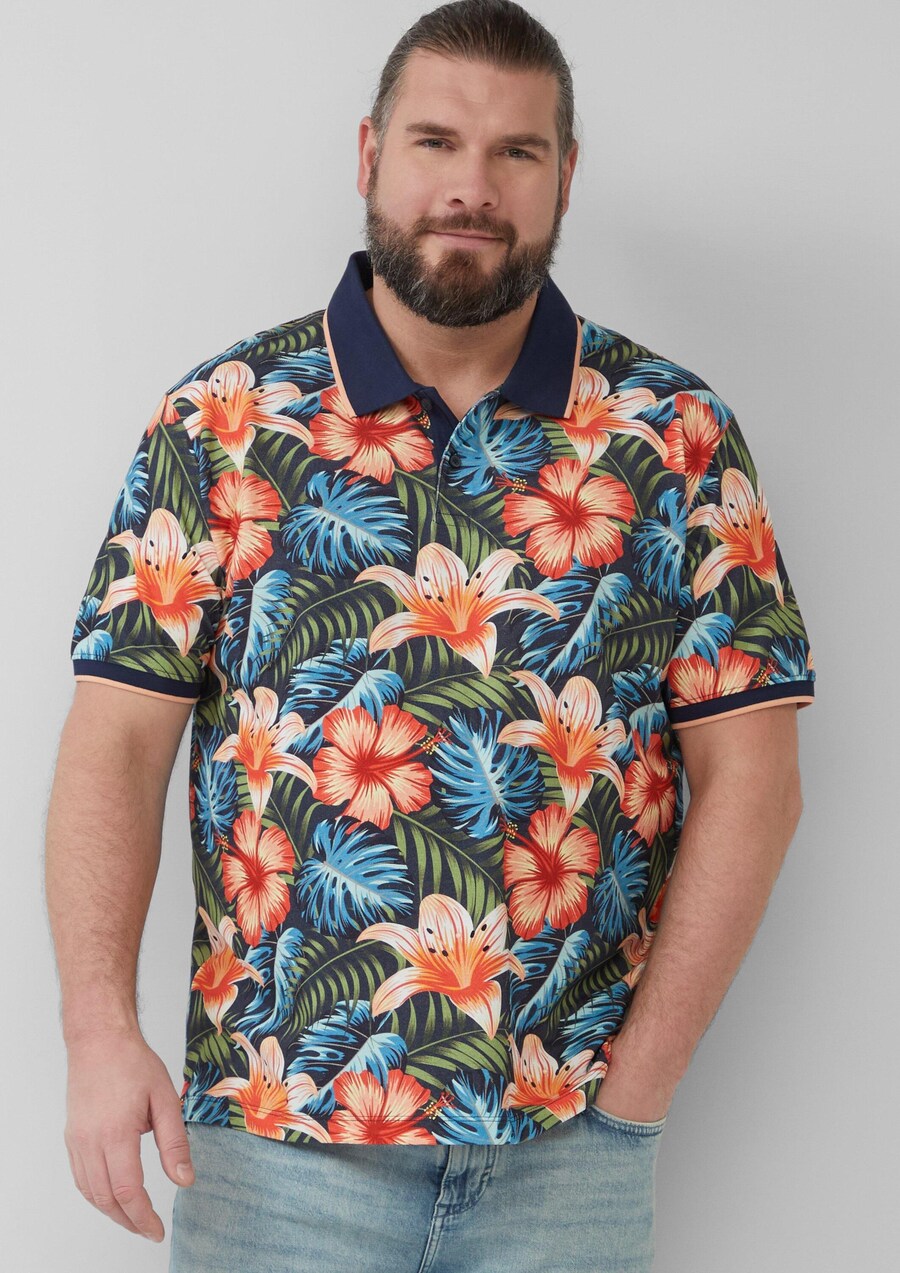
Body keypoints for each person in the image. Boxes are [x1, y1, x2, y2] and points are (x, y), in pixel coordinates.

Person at [44, 2, 816, 1269]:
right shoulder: (222, 423)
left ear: (566, 175)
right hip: (274, 1152)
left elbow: (756, 780)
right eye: (436, 142)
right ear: (369, 155)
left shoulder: (673, 437)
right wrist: (95, 1029)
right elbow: (116, 746)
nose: (473, 187)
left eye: (517, 151)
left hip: (568, 1155)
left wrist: (638, 1090)